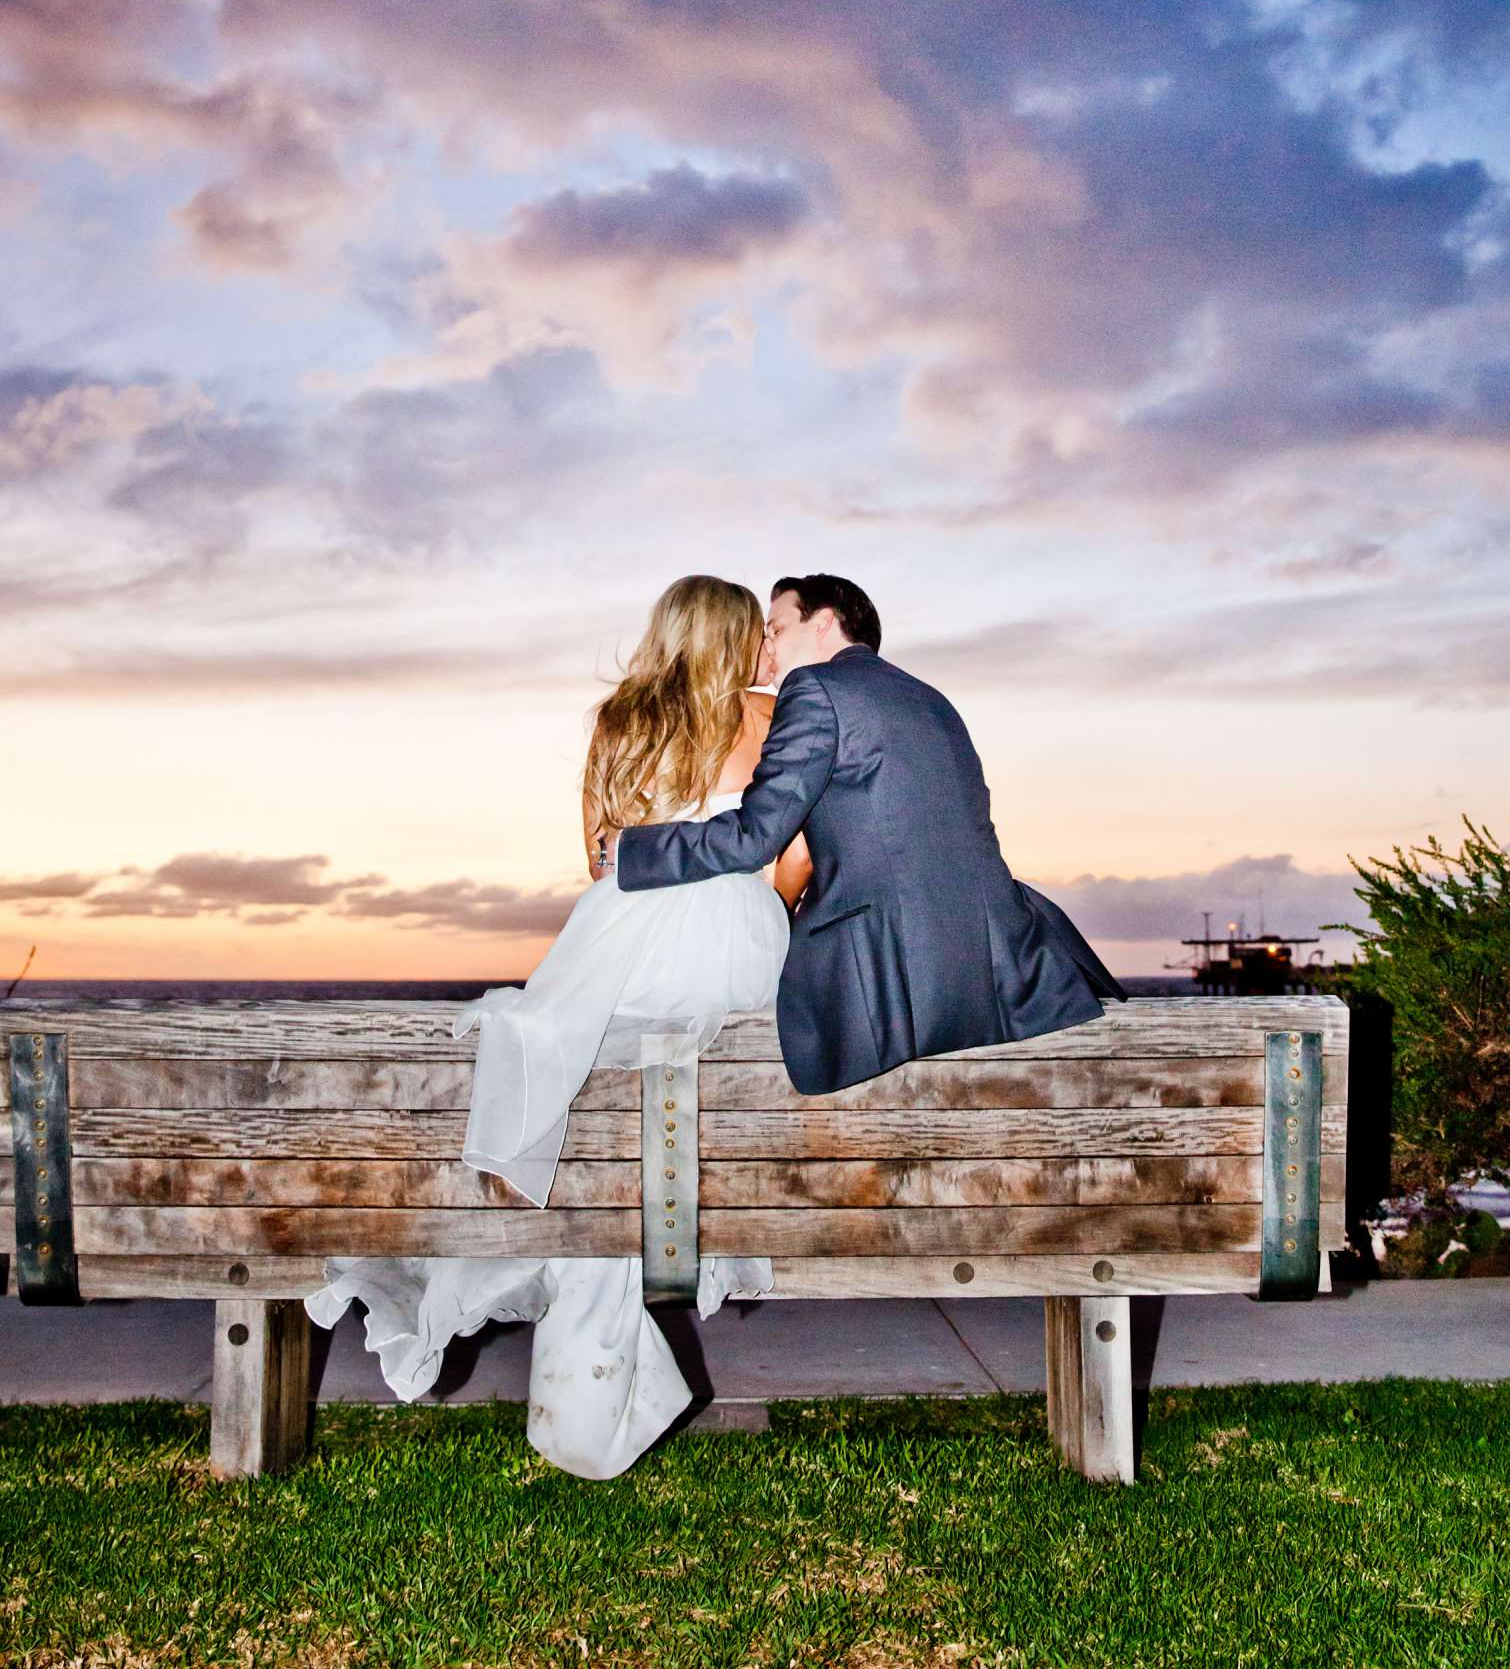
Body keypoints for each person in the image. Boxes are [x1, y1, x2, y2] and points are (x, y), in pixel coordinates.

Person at [305, 575, 802, 1480]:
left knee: (549, 1046)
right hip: (738, 943)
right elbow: (794, 860)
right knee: (675, 1078)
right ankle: (618, 1327)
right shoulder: (767, 722)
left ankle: (587, 1322)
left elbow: (597, 852)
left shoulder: (622, 719)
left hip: (629, 928)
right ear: (736, 640)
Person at [610, 574, 1126, 1094]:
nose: (767, 645)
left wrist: (630, 851)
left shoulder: (813, 689)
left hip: (883, 966)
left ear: (824, 624)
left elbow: (756, 835)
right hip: (998, 957)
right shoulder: (928, 697)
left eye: (777, 627)